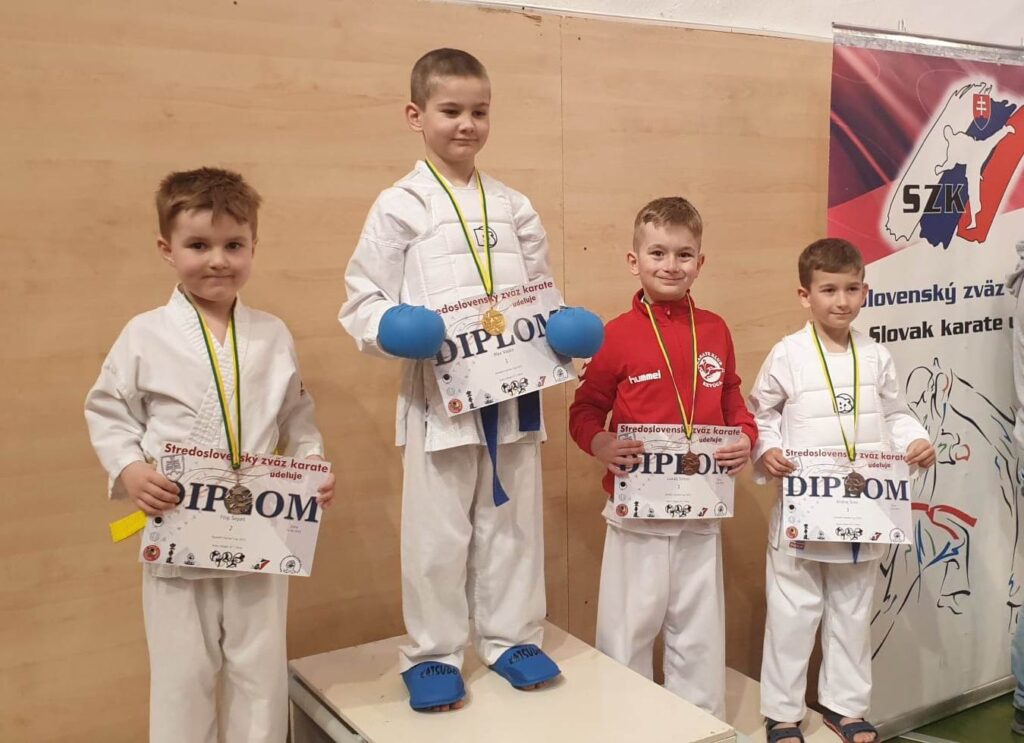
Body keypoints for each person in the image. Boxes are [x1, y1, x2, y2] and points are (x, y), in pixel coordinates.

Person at [339, 48, 602, 712]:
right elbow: (362, 298)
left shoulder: (514, 206)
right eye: (451, 110)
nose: (467, 124)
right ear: (416, 115)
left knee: (512, 525)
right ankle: (432, 651)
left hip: (514, 394)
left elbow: (539, 292)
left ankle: (512, 637)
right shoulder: (399, 206)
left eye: (479, 111)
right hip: (442, 399)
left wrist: (562, 325)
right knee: (437, 533)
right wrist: (391, 325)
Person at [85, 167, 335, 743]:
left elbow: (297, 416)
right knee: (182, 676)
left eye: (233, 245)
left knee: (260, 671)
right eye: (198, 245)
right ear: (166, 249)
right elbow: (107, 411)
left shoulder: (271, 333)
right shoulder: (144, 334)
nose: (218, 260)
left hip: (261, 528)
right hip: (178, 526)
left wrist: (313, 465)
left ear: (253, 247)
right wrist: (130, 468)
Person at [568, 196, 756, 719]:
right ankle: (625, 724)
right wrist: (599, 443)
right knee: (627, 629)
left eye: (684, 254)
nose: (671, 265)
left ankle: (701, 723)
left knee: (698, 634)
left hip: (701, 508)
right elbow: (585, 409)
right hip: (637, 515)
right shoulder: (613, 334)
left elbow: (732, 397)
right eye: (658, 253)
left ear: (701, 261)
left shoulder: (715, 329)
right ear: (635, 261)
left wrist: (745, 434)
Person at [748, 237, 935, 743]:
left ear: (865, 292)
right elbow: (760, 413)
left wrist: (915, 439)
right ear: (804, 295)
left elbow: (894, 414)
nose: (841, 300)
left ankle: (845, 707)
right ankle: (782, 713)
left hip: (863, 507)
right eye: (828, 289)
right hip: (804, 508)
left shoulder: (876, 355)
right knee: (792, 611)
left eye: (852, 289)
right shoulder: (788, 354)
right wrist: (767, 448)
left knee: (852, 611)